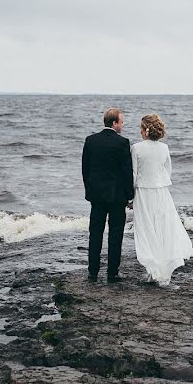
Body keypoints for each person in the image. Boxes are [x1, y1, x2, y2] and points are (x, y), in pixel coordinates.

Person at [131, 114, 193, 286]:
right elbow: (168, 171)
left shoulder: (136, 148)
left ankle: (153, 269)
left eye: (140, 127)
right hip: (161, 192)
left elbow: (134, 175)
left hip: (144, 192)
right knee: (162, 228)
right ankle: (161, 271)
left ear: (145, 130)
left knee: (147, 229)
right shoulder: (164, 148)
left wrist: (130, 197)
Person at [82, 107, 135, 283]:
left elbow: (85, 169)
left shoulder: (90, 141)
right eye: (121, 122)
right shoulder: (122, 143)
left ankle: (93, 273)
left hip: (96, 196)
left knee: (95, 233)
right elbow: (127, 172)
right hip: (117, 197)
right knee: (115, 234)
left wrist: (89, 191)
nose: (123, 125)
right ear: (114, 123)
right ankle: (112, 273)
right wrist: (130, 195)